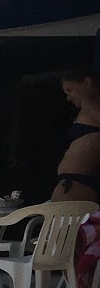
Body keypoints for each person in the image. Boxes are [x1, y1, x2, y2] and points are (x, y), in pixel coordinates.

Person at [53, 66, 100, 204]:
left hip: (76, 183)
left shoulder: (90, 105)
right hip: (76, 182)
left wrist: (86, 99)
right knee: (82, 226)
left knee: (62, 225)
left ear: (86, 82)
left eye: (70, 90)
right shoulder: (87, 109)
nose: (68, 97)